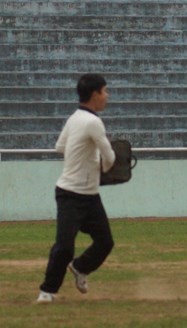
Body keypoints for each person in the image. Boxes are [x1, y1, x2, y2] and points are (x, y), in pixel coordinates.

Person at [37, 74, 116, 303]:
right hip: (71, 195)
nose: (107, 96)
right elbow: (110, 158)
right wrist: (98, 163)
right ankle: (47, 291)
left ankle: (80, 268)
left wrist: (85, 158)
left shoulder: (74, 118)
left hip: (88, 195)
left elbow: (60, 147)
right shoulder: (93, 122)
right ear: (95, 94)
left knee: (102, 241)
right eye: (105, 91)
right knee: (66, 246)